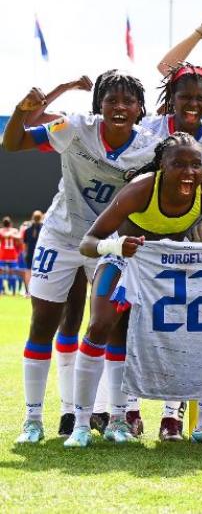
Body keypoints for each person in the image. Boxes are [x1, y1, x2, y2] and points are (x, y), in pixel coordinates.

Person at [67, 133, 202, 447]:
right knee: (100, 325)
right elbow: (88, 243)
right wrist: (118, 245)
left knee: (199, 333)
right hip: (125, 261)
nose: (189, 172)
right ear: (162, 166)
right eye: (179, 164)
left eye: (196, 165)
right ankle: (80, 425)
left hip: (170, 269)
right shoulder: (141, 189)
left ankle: (200, 423)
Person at [3, 71, 158, 443]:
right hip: (60, 236)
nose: (119, 107)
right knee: (44, 321)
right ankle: (33, 419)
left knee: (114, 324)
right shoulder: (73, 128)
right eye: (111, 100)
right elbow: (13, 144)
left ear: (140, 109)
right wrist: (18, 111)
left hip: (107, 243)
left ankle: (117, 418)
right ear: (98, 106)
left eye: (128, 101)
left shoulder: (151, 147)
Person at [128, 62, 202, 438]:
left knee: (180, 322)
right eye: (185, 97)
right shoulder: (148, 132)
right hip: (142, 233)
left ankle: (173, 414)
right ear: (170, 99)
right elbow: (135, 184)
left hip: (188, 236)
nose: (193, 104)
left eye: (201, 98)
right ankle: (127, 409)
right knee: (132, 319)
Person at [20, 211, 44, 299]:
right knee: (40, 273)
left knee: (28, 272)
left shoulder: (27, 229)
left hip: (29, 253)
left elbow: (25, 244)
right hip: (40, 253)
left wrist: (25, 253)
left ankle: (28, 292)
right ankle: (39, 293)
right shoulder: (43, 228)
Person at [0, 217, 23, 295]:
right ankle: (12, 292)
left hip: (4, 256)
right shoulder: (14, 231)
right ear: (10, 223)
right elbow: (19, 237)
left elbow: (19, 238)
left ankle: (2, 291)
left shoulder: (1, 230)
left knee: (2, 274)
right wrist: (12, 234)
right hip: (11, 256)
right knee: (12, 274)